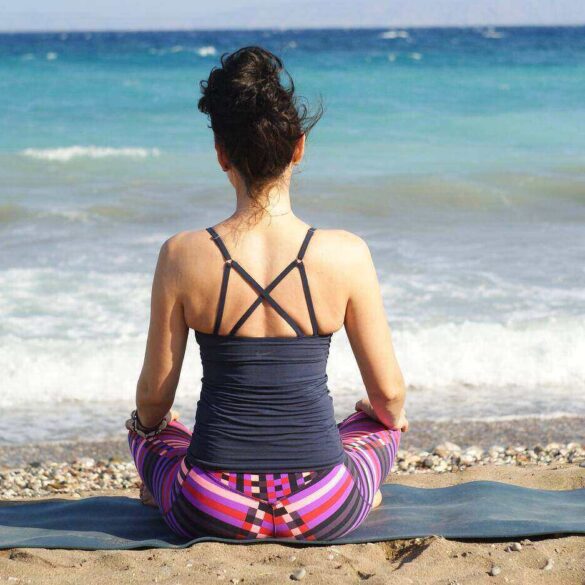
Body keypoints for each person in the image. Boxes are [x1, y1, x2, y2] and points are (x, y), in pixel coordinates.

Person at [126, 46, 408, 541]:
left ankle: (161, 486)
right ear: (298, 147)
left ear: (221, 155)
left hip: (211, 505)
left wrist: (151, 427)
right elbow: (389, 396)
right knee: (380, 428)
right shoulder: (346, 253)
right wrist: (377, 417)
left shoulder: (181, 254)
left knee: (148, 434)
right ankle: (364, 487)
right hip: (322, 504)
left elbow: (153, 400)